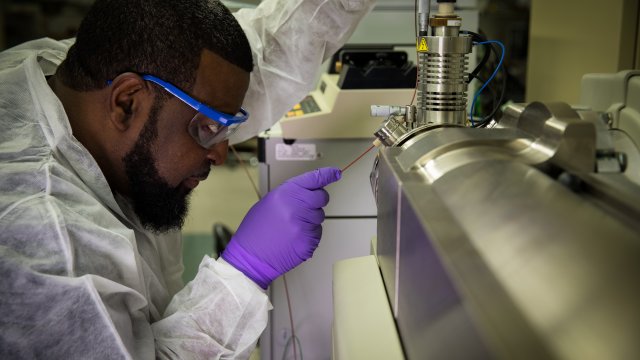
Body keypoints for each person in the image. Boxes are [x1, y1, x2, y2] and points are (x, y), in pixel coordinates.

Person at [0, 0, 374, 358]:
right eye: (207, 128)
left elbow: (268, 53)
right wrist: (241, 276)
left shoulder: (81, 72)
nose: (220, 153)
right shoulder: (46, 247)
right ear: (126, 102)